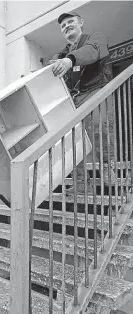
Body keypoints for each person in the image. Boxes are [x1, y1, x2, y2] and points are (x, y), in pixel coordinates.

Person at [49, 11, 115, 194]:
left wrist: (69, 61)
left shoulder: (95, 38)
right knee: (72, 140)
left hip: (97, 91)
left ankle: (107, 171)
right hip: (73, 100)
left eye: (70, 22)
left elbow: (92, 52)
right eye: (63, 25)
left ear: (81, 23)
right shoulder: (61, 53)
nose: (67, 26)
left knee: (99, 131)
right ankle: (81, 183)